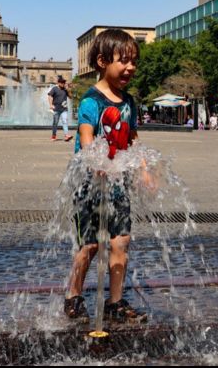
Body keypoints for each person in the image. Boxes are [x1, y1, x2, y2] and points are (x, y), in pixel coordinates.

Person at [64, 29, 148, 323]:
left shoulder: (129, 102)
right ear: (102, 61)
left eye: (133, 62)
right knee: (89, 245)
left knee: (120, 241)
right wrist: (94, 159)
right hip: (90, 184)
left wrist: (144, 169)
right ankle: (73, 295)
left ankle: (115, 302)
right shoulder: (91, 101)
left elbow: (133, 139)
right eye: (123, 61)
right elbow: (86, 135)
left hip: (118, 184)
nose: (130, 68)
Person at [48, 76, 73, 142]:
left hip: (64, 109)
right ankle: (54, 135)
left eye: (64, 82)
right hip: (56, 109)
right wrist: (51, 105)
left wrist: (68, 90)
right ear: (58, 83)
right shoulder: (54, 89)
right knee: (55, 123)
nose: (63, 83)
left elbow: (70, 97)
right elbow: (50, 96)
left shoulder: (65, 90)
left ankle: (66, 135)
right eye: (62, 82)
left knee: (65, 121)